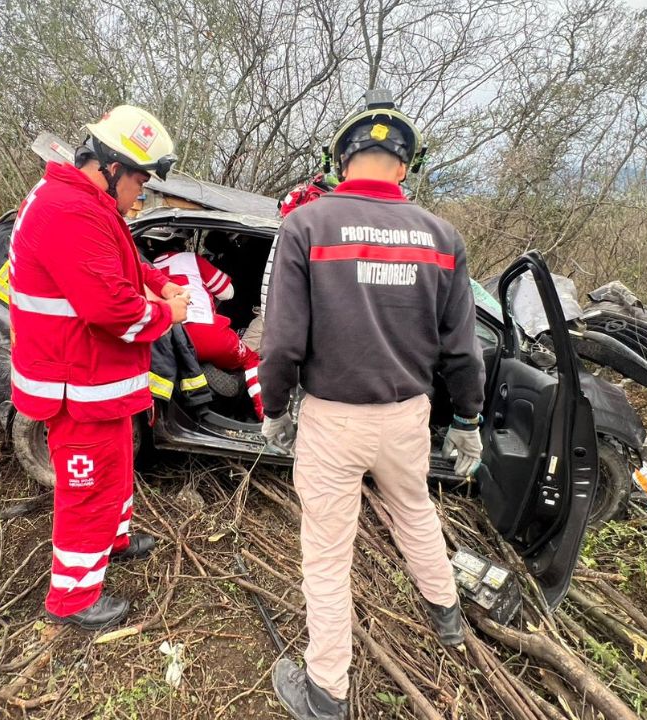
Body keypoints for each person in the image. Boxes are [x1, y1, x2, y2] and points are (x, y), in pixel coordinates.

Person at [259, 89, 487, 720]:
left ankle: (327, 690)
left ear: (341, 160)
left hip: (333, 421)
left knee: (327, 556)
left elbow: (280, 343)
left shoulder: (306, 226)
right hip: (407, 416)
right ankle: (445, 614)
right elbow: (463, 351)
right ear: (405, 167)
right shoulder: (442, 236)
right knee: (414, 509)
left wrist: (275, 409)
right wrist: (467, 419)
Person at [9, 105, 189, 630]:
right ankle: (72, 599)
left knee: (114, 472)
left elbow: (122, 262)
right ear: (112, 167)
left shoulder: (84, 202)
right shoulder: (69, 211)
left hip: (94, 378)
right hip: (76, 382)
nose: (142, 195)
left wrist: (157, 281)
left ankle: (117, 540)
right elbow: (111, 309)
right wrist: (168, 313)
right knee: (87, 490)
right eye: (141, 181)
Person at [148, 230, 265, 418]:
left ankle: (194, 377)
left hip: (174, 337)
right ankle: (264, 415)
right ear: (181, 243)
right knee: (250, 359)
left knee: (182, 356)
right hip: (210, 333)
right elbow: (228, 292)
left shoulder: (148, 269)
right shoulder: (191, 259)